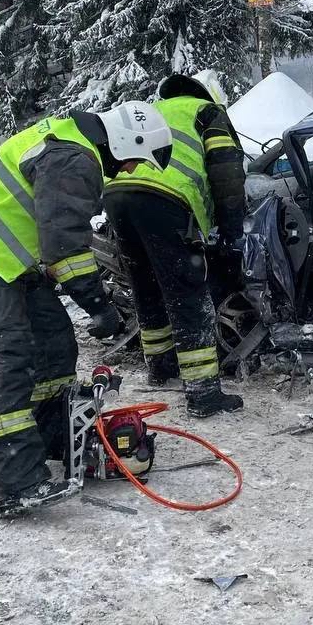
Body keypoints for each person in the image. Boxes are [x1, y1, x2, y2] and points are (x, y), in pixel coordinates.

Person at [0, 103, 173, 520]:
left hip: (8, 258)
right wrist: (98, 306)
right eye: (136, 159)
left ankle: (49, 437)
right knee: (10, 356)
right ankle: (15, 483)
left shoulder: (77, 147)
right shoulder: (74, 160)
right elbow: (64, 249)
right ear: (123, 142)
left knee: (54, 344)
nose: (132, 170)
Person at [103, 70, 248, 418]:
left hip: (117, 193)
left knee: (146, 285)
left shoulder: (156, 109)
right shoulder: (208, 113)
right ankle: (202, 393)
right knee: (188, 292)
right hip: (164, 201)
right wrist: (231, 231)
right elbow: (227, 171)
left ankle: (161, 367)